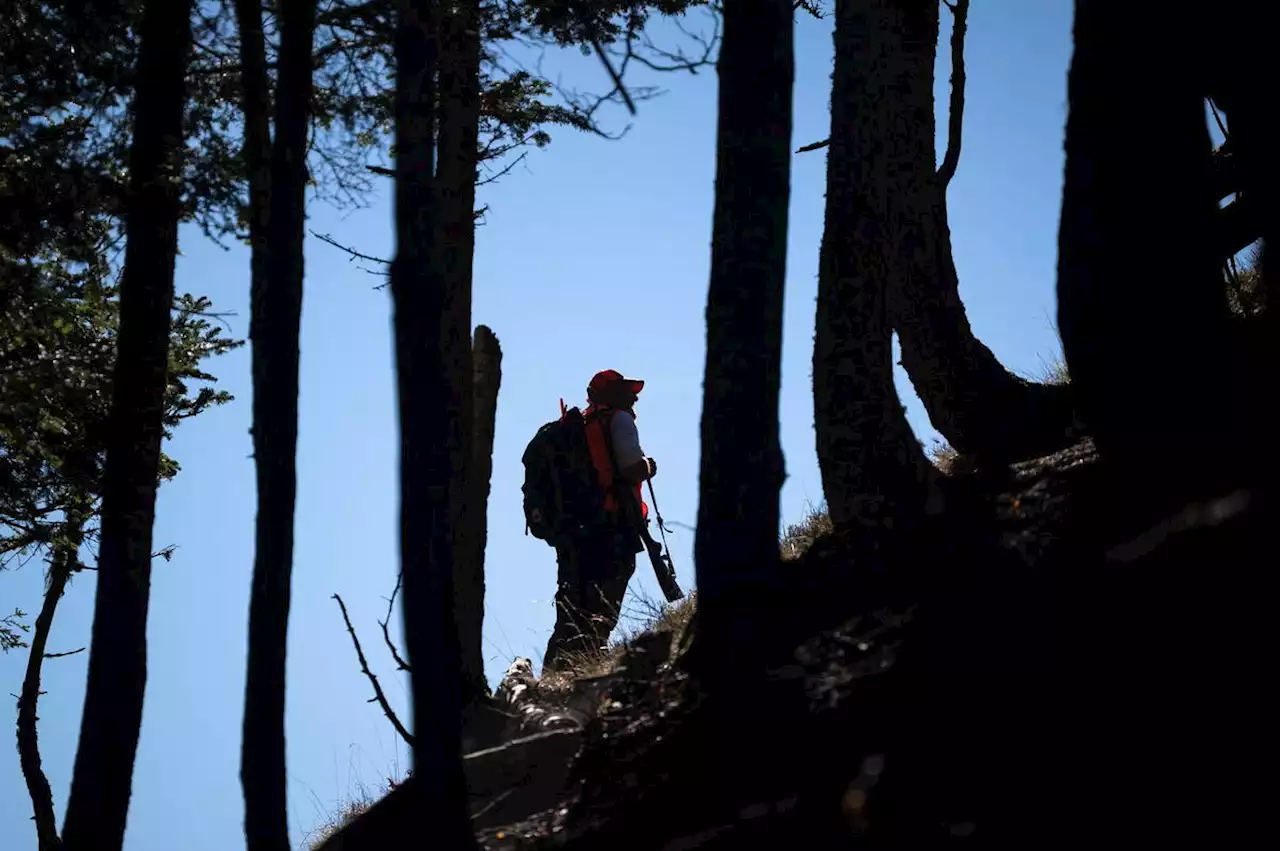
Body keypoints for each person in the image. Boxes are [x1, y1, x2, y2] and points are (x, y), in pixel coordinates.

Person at [542, 369, 659, 673]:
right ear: (609, 394)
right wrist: (649, 465)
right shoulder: (617, 420)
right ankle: (590, 659)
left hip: (575, 530)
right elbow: (631, 469)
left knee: (571, 603)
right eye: (625, 390)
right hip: (612, 523)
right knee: (606, 593)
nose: (633, 397)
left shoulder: (577, 427)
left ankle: (554, 674)